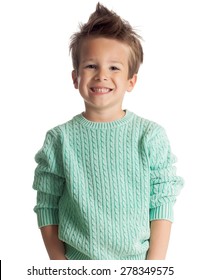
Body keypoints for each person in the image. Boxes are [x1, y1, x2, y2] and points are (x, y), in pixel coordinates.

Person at [32, 3, 183, 260]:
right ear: (75, 77)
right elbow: (47, 205)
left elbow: (161, 204)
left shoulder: (149, 136)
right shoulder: (59, 140)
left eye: (114, 68)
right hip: (77, 268)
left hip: (137, 269)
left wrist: (152, 270)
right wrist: (61, 268)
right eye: (91, 66)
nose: (102, 75)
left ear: (131, 81)